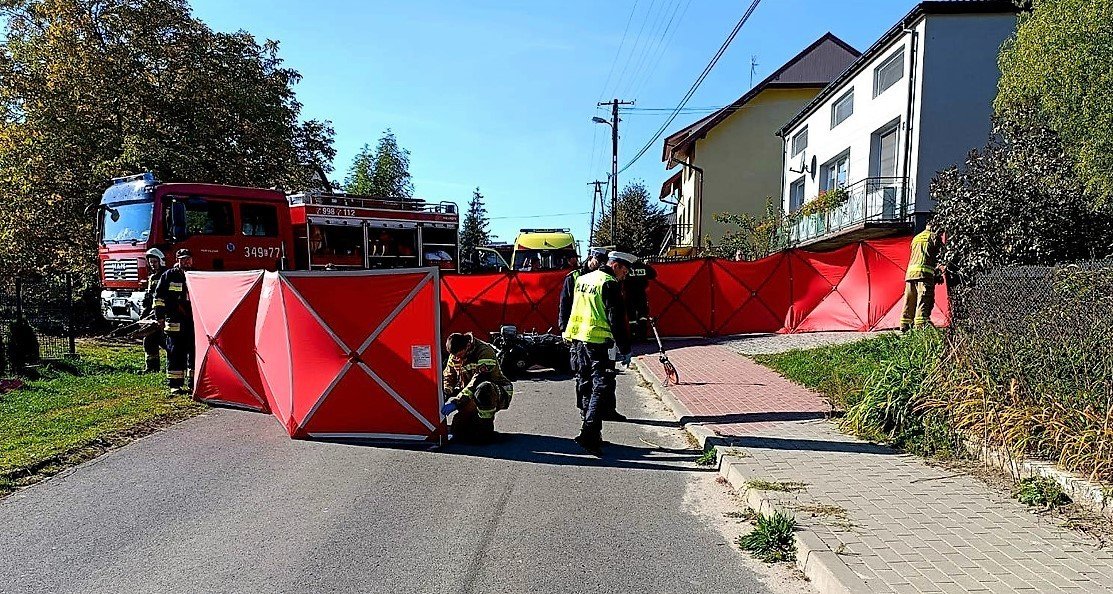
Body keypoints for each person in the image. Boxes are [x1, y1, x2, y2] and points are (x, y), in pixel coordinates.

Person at [563, 251, 634, 456]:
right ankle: (589, 433)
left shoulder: (583, 279)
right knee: (600, 386)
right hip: (597, 342)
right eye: (625, 271)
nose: (625, 276)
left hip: (578, 340)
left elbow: (572, 307)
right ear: (616, 266)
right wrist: (625, 349)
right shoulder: (609, 283)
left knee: (584, 384)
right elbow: (616, 319)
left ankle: (590, 433)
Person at [441, 332, 514, 443]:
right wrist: (446, 391)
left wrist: (457, 402)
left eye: (459, 355)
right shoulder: (455, 354)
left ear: (468, 346)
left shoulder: (484, 352)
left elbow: (478, 380)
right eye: (454, 356)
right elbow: (449, 375)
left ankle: (486, 430)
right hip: (470, 393)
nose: (456, 358)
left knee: (483, 389)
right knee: (458, 429)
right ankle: (474, 421)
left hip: (496, 391)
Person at [155, 248, 195, 394]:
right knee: (175, 352)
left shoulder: (196, 275)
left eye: (189, 258)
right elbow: (158, 298)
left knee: (193, 352)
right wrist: (159, 317)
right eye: (183, 259)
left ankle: (193, 383)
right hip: (174, 321)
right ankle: (175, 385)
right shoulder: (168, 276)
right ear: (177, 260)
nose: (187, 261)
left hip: (192, 321)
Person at [901, 220, 943, 332]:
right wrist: (938, 273)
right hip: (924, 273)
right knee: (924, 298)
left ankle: (905, 324)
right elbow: (941, 256)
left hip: (910, 273)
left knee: (910, 298)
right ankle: (921, 325)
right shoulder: (934, 237)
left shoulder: (916, 237)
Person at [558, 247, 606, 333]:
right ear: (590, 258)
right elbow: (564, 303)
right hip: (577, 328)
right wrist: (563, 328)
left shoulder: (603, 277)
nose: (599, 265)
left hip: (596, 330)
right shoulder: (574, 276)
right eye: (597, 262)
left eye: (602, 262)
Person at [140, 248, 166, 373]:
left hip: (164, 315)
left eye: (155, 261)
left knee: (167, 341)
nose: (153, 264)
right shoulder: (152, 278)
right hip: (152, 315)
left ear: (161, 261)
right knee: (149, 339)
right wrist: (144, 313)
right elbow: (150, 298)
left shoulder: (166, 276)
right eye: (151, 262)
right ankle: (152, 367)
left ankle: (177, 366)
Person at [624, 257, 657, 343]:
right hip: (641, 294)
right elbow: (653, 274)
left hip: (629, 294)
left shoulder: (627, 267)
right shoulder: (643, 267)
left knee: (631, 317)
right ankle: (643, 336)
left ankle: (633, 335)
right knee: (643, 315)